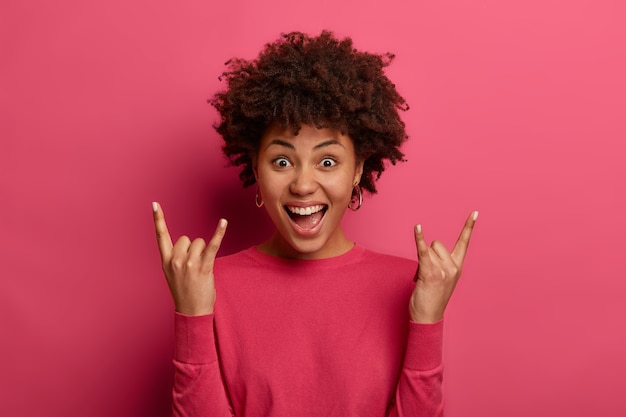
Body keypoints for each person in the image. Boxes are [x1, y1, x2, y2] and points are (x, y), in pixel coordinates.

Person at [152, 31, 478, 417]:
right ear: (257, 168)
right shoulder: (208, 285)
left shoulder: (411, 286)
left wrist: (428, 321)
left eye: (327, 162)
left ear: (357, 169)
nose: (304, 185)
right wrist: (192, 316)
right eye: (282, 161)